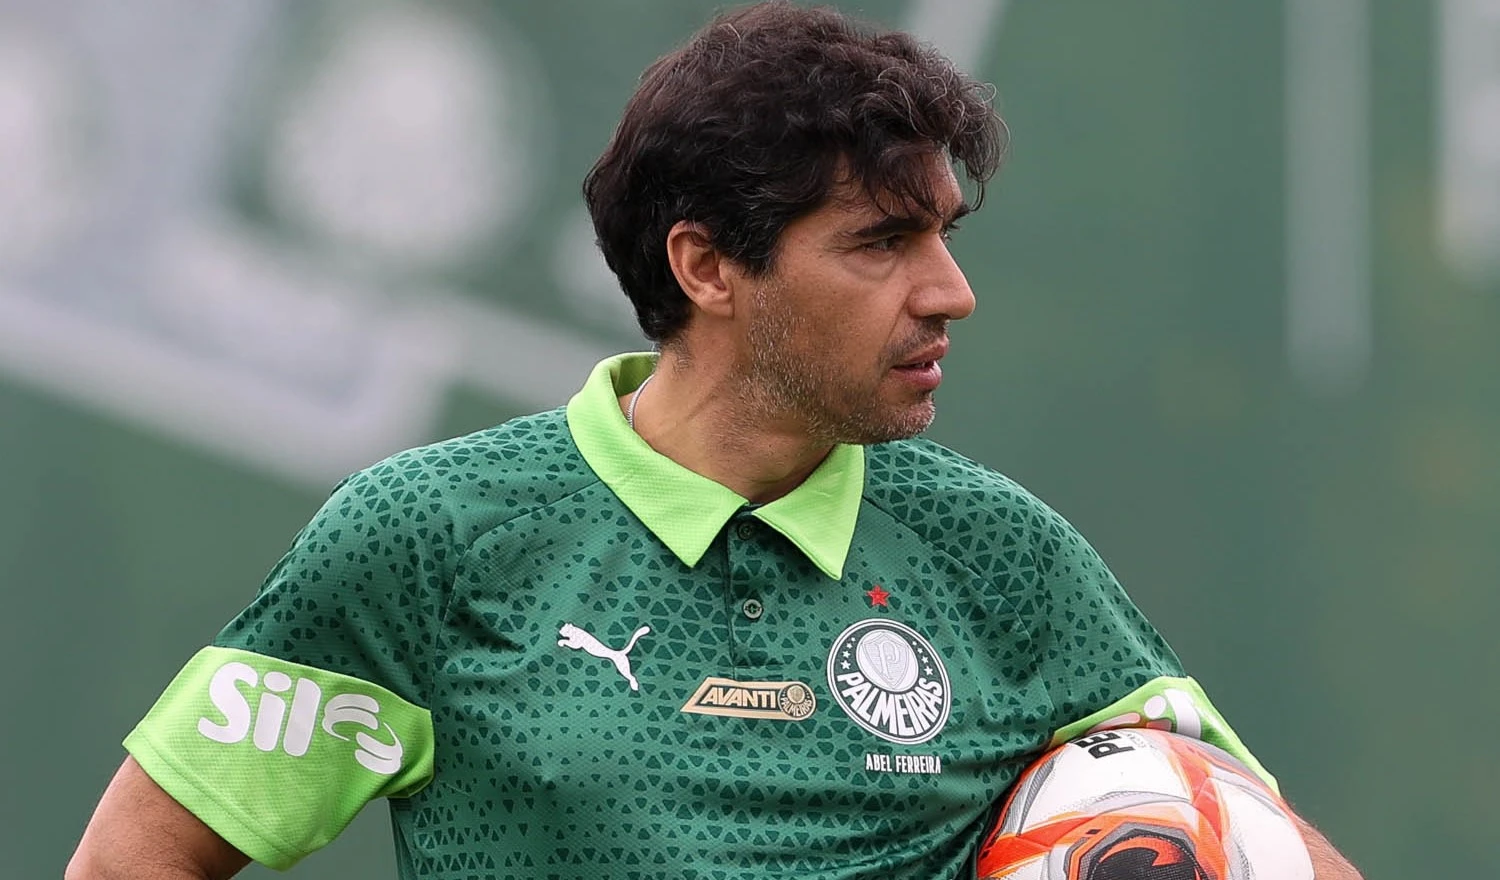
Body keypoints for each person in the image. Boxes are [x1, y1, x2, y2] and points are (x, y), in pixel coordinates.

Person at [67, 3, 1363, 878]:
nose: (950, 292)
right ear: (707, 265)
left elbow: (1255, 843)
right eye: (879, 244)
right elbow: (138, 859)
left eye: (946, 238)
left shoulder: (1000, 553)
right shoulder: (432, 538)